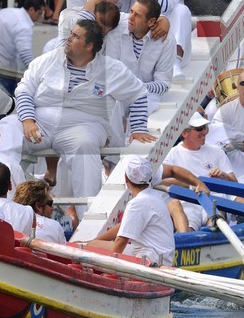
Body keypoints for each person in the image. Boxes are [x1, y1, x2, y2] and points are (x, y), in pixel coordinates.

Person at [15, 18, 153, 200]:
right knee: (9, 130)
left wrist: (138, 128)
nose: (69, 39)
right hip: (39, 123)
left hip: (83, 126)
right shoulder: (49, 59)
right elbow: (24, 88)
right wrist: (27, 120)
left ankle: (87, 218)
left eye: (75, 36)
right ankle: (2, 196)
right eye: (71, 34)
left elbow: (139, 93)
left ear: (89, 46)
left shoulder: (111, 68)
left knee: (86, 148)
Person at [87, 155, 175, 266]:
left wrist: (88, 245)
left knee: (92, 246)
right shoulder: (154, 196)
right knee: (93, 244)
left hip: (150, 259)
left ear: (126, 178)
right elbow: (124, 226)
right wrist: (94, 241)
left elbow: (118, 246)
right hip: (160, 256)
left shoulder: (137, 203)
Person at [0, 0, 46, 78]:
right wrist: (38, 72)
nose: (40, 17)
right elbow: (25, 53)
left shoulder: (7, 11)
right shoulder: (23, 24)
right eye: (39, 13)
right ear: (32, 10)